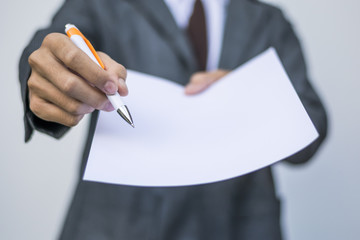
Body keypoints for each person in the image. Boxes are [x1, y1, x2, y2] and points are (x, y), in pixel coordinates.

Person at [19, 0, 327, 239]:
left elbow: (313, 123)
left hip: (240, 223)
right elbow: (52, 48)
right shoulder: (103, 4)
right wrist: (45, 75)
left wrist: (248, 96)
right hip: (118, 223)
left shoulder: (269, 20)